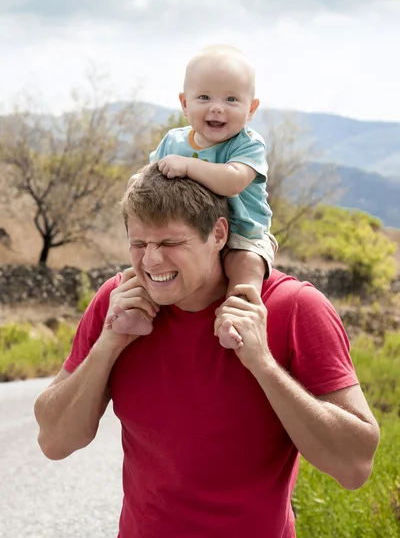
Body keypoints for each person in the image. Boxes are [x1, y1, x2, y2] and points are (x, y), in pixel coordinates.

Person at [34, 163, 379, 538]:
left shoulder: (294, 307)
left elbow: (354, 466)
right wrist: (109, 342)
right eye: (139, 244)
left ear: (218, 233)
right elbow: (54, 441)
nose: (151, 261)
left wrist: (262, 364)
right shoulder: (116, 303)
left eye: (170, 243)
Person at [108, 44, 277, 350]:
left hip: (244, 232)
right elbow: (151, 176)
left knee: (245, 271)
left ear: (251, 109)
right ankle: (134, 313)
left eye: (231, 99)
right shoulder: (174, 140)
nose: (216, 107)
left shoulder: (248, 144)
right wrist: (136, 182)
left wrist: (189, 165)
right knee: (149, 267)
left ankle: (235, 322)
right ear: (184, 104)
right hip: (188, 233)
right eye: (204, 97)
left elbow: (234, 180)